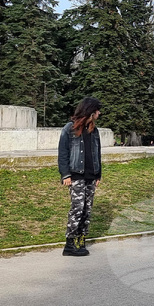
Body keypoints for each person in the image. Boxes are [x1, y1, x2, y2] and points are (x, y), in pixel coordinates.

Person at [58, 97, 102, 256]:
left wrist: (98, 174)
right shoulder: (69, 129)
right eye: (97, 110)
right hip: (76, 176)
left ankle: (81, 240)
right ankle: (69, 244)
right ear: (90, 111)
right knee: (77, 208)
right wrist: (65, 175)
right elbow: (63, 153)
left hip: (91, 176)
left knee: (87, 210)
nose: (99, 113)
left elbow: (97, 153)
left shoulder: (94, 131)